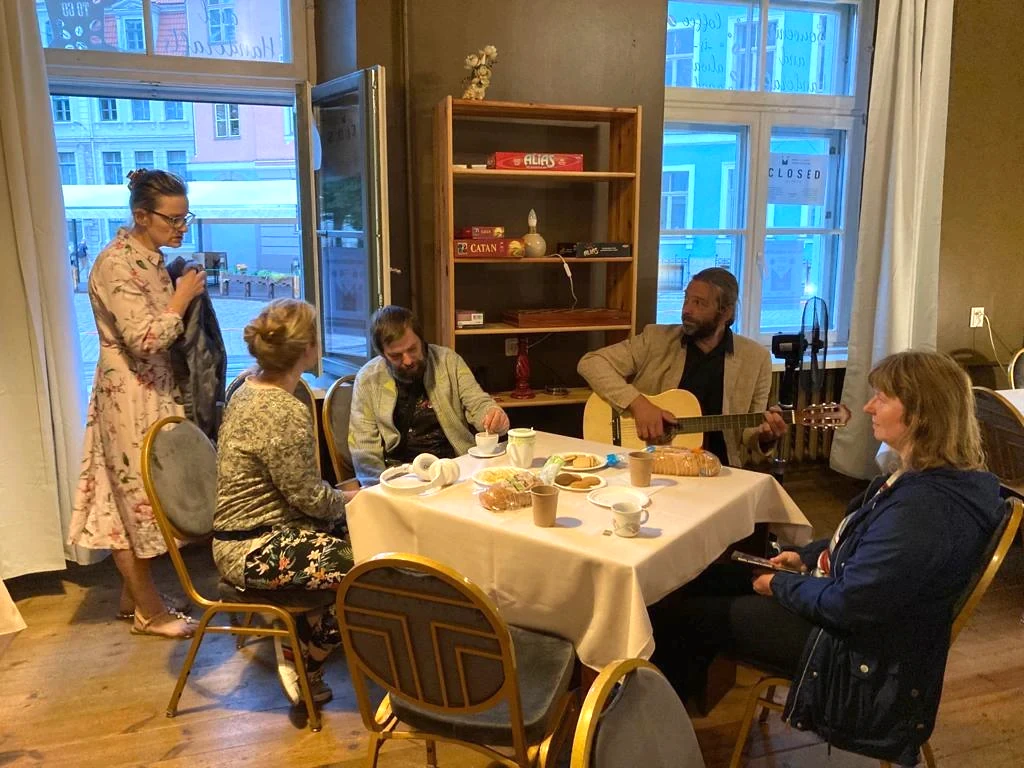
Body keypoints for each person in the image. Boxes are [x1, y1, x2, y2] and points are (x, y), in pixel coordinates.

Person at [649, 350, 1002, 766]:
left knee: (675, 608)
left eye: (883, 397)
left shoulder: (924, 510)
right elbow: (855, 540)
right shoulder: (930, 477)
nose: (869, 406)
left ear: (922, 413)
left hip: (848, 649)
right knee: (699, 577)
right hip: (841, 604)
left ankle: (659, 738)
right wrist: (802, 556)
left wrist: (779, 585)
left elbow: (848, 604)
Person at [68, 169, 207, 639]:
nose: (181, 227)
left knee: (144, 492)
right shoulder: (116, 263)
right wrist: (182, 299)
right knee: (129, 497)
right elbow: (145, 338)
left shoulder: (149, 258)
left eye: (185, 216)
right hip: (129, 392)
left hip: (152, 390)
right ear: (141, 215)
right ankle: (149, 611)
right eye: (173, 218)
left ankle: (135, 599)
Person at [214, 299, 357, 706]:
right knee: (372, 568)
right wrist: (351, 498)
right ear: (309, 348)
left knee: (368, 531)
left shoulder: (244, 384)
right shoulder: (284, 411)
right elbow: (311, 499)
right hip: (254, 546)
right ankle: (307, 655)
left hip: (253, 531)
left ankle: (307, 627)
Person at [577, 267, 786, 467]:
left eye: (699, 303)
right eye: (686, 299)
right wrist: (639, 405)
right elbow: (591, 363)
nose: (687, 310)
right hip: (652, 463)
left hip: (720, 467)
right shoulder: (656, 339)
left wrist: (766, 436)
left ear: (726, 312)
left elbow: (749, 433)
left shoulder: (756, 359)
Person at [349, 305, 510, 486]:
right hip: (399, 477)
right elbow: (364, 449)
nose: (408, 360)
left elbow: (478, 402)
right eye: (396, 356)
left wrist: (494, 417)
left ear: (421, 339)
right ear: (382, 355)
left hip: (454, 468)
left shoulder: (448, 361)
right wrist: (379, 491)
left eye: (412, 349)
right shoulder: (368, 379)